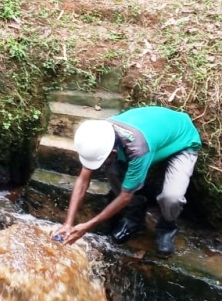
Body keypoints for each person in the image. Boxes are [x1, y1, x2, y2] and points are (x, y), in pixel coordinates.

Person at [53, 106, 201, 256]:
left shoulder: (138, 149)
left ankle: (167, 227)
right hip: (155, 135)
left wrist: (88, 226)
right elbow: (83, 180)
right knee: (113, 171)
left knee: (172, 197)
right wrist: (68, 223)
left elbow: (125, 196)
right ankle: (134, 217)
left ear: (113, 152)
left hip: (182, 142)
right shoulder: (99, 135)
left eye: (103, 159)